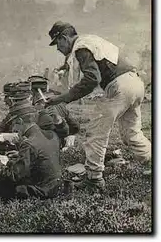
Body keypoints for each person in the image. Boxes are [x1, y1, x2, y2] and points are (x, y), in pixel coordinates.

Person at [46, 21, 151, 189]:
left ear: (64, 38)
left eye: (57, 43)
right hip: (135, 82)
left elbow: (92, 79)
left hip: (120, 86)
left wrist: (63, 98)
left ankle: (94, 179)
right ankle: (152, 162)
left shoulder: (80, 48)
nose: (57, 48)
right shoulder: (89, 40)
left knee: (95, 132)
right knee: (131, 133)